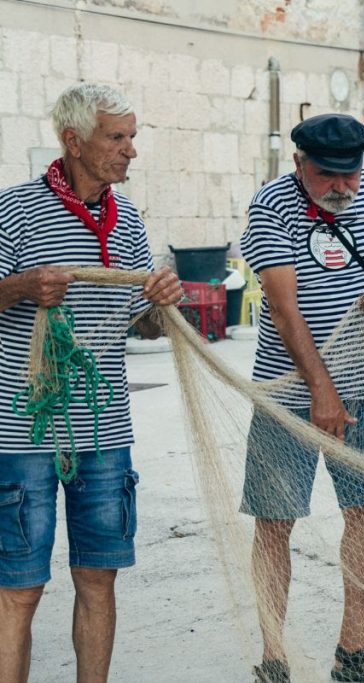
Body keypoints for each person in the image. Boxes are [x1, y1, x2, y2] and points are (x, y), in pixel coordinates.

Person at [0, 83, 181, 683]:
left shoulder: (126, 217)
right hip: (22, 432)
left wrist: (161, 303)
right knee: (19, 588)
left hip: (105, 430)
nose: (131, 150)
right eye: (117, 136)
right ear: (73, 141)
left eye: (133, 136)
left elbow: (144, 325)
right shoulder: (15, 210)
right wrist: (24, 287)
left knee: (98, 577)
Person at [240, 113, 364, 683]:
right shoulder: (271, 205)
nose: (342, 187)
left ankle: (354, 651)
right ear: (299, 164)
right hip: (287, 391)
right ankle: (273, 659)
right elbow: (284, 307)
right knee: (275, 518)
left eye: (352, 174)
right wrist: (319, 389)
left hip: (363, 383)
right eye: (327, 176)